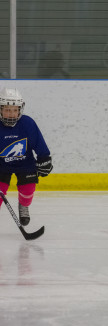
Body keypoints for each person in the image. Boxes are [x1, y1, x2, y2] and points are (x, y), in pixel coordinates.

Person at [0, 88, 53, 226]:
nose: (11, 114)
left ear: (20, 109)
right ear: (0, 109)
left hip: (25, 164)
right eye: (7, 110)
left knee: (28, 190)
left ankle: (23, 206)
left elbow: (39, 144)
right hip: (1, 165)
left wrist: (44, 158)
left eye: (14, 110)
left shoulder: (28, 123)